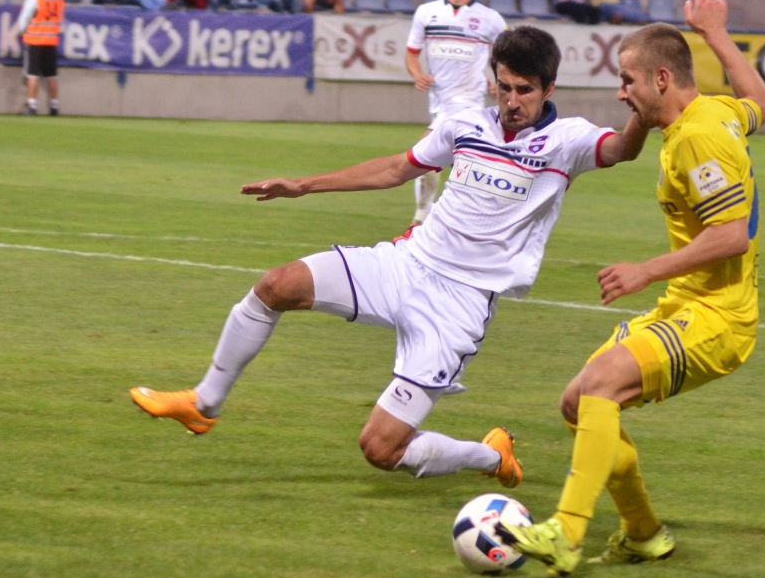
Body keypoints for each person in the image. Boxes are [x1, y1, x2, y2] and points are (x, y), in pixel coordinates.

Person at [130, 25, 644, 492]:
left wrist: (643, 108)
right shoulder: (465, 125)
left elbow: (623, 148)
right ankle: (204, 403)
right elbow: (397, 168)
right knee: (276, 285)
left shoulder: (568, 141)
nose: (512, 101)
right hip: (406, 264)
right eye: (503, 87)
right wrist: (304, 185)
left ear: (549, 88)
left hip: (457, 308)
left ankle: (491, 455)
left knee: (380, 449)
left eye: (524, 90)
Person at [495, 0, 765, 578]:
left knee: (602, 382)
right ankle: (643, 534)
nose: (621, 93)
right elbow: (762, 102)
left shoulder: (698, 138)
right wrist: (715, 33)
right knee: (579, 402)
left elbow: (730, 236)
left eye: (628, 81)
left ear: (661, 79)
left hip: (717, 318)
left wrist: (645, 270)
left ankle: (565, 533)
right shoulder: (715, 112)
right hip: (689, 305)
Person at [396, 0, 506, 240]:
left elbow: (506, 57)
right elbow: (411, 53)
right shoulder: (427, 13)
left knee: (424, 158)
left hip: (470, 105)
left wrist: (499, 82)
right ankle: (454, 224)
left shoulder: (491, 19)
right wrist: (418, 75)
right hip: (440, 105)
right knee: (457, 169)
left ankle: (420, 221)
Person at [16, 0, 65, 116]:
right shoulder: (59, 0)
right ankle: (54, 106)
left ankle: (32, 105)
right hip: (51, 41)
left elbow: (24, 21)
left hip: (35, 41)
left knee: (33, 75)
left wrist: (21, 31)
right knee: (52, 76)